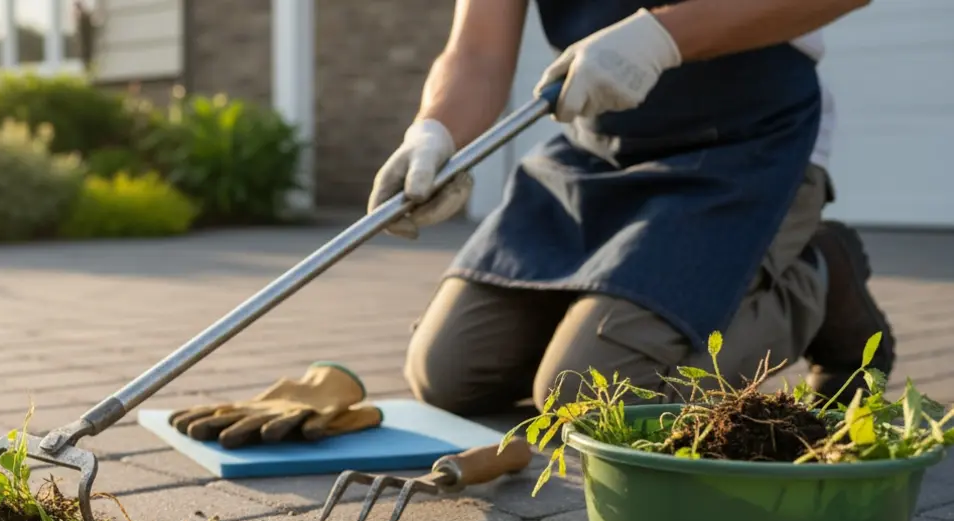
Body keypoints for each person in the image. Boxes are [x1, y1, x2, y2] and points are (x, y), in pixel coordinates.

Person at [371, 0, 893, 415]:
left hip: (743, 145)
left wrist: (664, 35)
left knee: (594, 398)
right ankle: (615, 313)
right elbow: (478, 52)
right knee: (447, 373)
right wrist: (434, 133)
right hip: (598, 150)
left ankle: (818, 275)